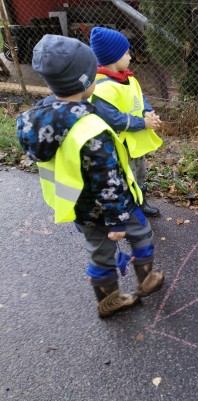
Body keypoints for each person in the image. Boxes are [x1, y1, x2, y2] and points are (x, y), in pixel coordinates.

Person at [16, 35, 164, 319]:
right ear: (86, 81)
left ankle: (107, 301)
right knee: (141, 233)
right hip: (113, 207)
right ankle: (145, 281)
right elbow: (107, 181)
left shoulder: (40, 117)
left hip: (77, 206)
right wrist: (117, 220)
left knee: (100, 252)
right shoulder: (91, 128)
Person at [89, 26, 163, 217]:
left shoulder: (128, 78)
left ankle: (141, 201)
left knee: (140, 172)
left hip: (135, 141)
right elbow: (114, 119)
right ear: (114, 57)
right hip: (119, 145)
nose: (130, 57)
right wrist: (143, 123)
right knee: (126, 175)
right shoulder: (101, 88)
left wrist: (149, 112)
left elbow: (140, 97)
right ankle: (129, 208)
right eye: (127, 53)